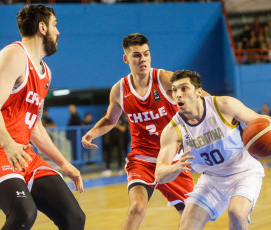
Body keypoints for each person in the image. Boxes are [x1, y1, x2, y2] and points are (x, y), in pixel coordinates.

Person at [0, 5, 85, 230]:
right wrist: (8, 145)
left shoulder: (45, 73)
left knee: (74, 217)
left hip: (22, 152)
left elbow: (35, 126)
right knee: (24, 213)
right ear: (42, 27)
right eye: (55, 25)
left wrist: (64, 163)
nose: (58, 32)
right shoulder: (14, 55)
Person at [82, 33, 209, 229]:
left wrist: (223, 112)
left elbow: (202, 98)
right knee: (137, 207)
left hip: (171, 160)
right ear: (126, 58)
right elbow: (110, 119)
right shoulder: (119, 90)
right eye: (136, 55)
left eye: (146, 54)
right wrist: (92, 133)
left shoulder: (164, 78)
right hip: (142, 160)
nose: (142, 59)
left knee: (191, 217)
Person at [155, 70, 271, 230]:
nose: (178, 94)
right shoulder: (173, 130)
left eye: (184, 88)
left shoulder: (224, 106)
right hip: (211, 179)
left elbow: (260, 122)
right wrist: (176, 166)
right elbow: (159, 174)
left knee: (236, 213)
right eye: (174, 90)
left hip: (243, 172)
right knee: (187, 225)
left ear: (198, 92)